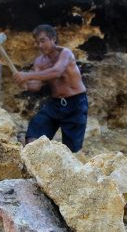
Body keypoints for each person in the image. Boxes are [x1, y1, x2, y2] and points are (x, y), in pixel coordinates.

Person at [13, 24, 88, 152]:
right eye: (37, 42)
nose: (40, 45)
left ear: (53, 39)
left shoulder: (65, 53)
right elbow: (37, 85)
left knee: (71, 151)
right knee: (33, 138)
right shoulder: (39, 61)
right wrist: (26, 84)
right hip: (55, 105)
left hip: (76, 104)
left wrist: (26, 75)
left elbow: (56, 71)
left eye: (43, 40)